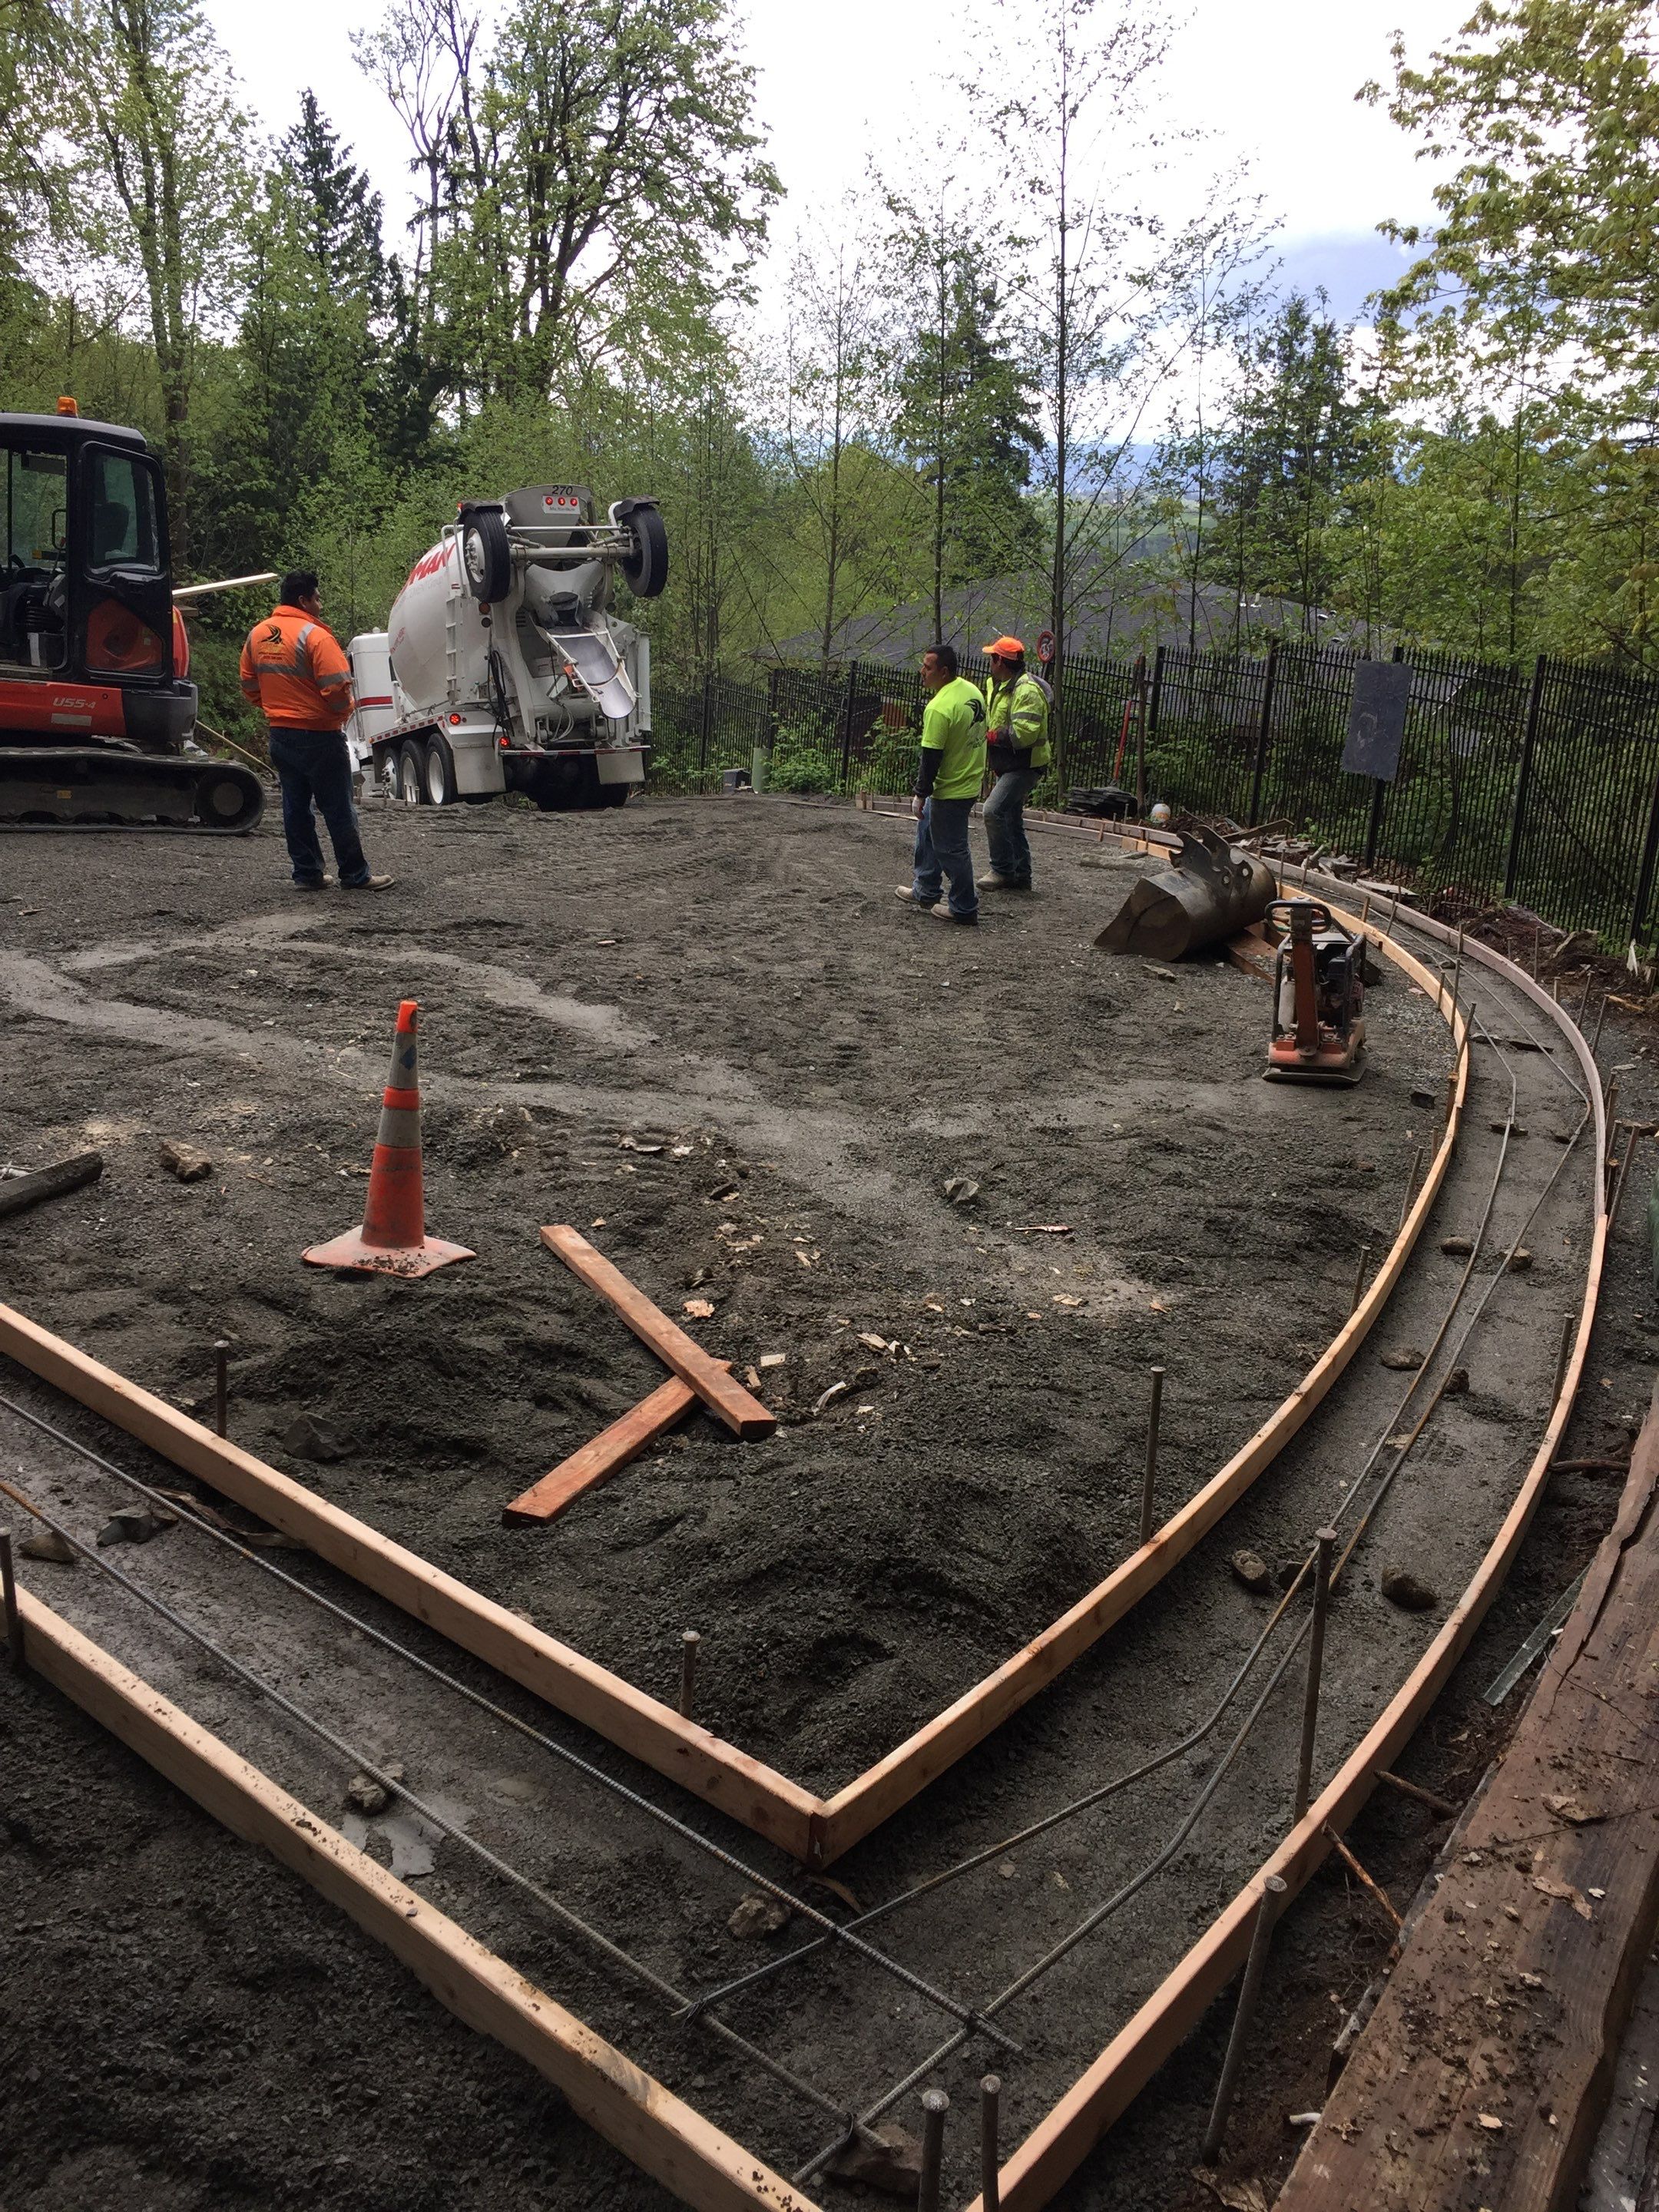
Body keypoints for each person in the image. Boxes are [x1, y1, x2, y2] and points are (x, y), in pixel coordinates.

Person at [240, 569, 392, 892]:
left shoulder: (257, 635)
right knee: (338, 808)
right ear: (303, 601)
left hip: (281, 734)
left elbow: (249, 685)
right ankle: (355, 875)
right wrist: (343, 712)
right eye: (317, 598)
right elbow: (337, 687)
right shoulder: (316, 636)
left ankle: (307, 874)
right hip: (320, 736)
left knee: (295, 808)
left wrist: (276, 709)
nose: (320, 605)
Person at [894, 643, 986, 925]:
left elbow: (930, 757)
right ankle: (925, 889)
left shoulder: (938, 708)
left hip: (951, 787)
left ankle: (963, 908)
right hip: (968, 779)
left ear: (943, 672)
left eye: (928, 668)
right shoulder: (971, 691)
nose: (922, 672)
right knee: (927, 832)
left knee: (951, 849)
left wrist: (920, 794)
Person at [979, 635, 1051, 891]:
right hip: (1010, 764)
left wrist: (992, 737)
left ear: (1000, 661)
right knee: (1011, 818)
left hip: (1025, 765)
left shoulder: (1026, 691)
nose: (989, 663)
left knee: (992, 810)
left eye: (992, 658)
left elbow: (1024, 735)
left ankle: (1002, 870)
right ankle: (1021, 876)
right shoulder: (998, 685)